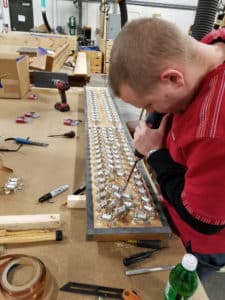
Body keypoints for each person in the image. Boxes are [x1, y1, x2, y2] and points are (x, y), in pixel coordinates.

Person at [109, 17, 225, 281]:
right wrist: (157, 120)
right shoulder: (210, 46)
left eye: (149, 104)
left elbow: (203, 221)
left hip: (196, 243)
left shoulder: (214, 132)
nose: (150, 113)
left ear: (174, 78)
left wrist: (155, 154)